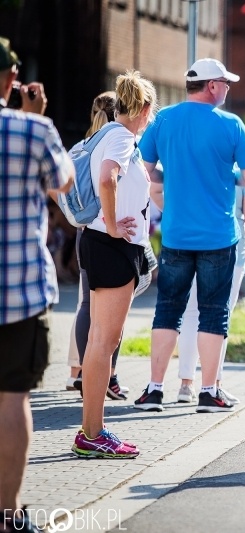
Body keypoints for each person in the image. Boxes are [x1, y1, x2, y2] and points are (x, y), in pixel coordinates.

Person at [134, 58, 245, 413]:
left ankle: (154, 389)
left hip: (175, 234)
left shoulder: (163, 120)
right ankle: (208, 392)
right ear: (211, 86)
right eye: (225, 83)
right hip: (219, 237)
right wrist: (227, 175)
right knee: (213, 314)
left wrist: (173, 178)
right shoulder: (231, 124)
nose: (227, 89)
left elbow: (144, 173)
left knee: (167, 311)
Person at [1, 36, 74, 532]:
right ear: (10, 81)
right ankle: (7, 516)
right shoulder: (32, 130)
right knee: (12, 399)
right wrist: (34, 113)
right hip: (19, 292)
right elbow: (63, 183)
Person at [70, 70, 158, 459]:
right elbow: (108, 178)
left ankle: (92, 429)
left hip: (106, 243)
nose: (152, 118)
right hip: (111, 246)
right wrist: (110, 223)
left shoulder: (105, 133)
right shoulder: (122, 137)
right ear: (143, 108)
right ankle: (92, 433)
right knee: (104, 342)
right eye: (152, 111)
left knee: (100, 341)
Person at [172, 180, 245, 404]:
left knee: (191, 314)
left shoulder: (195, 161)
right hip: (231, 250)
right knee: (221, 317)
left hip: (191, 244)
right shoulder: (244, 171)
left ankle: (186, 384)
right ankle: (214, 385)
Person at [67, 91, 131, 399]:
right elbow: (111, 182)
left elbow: (59, 186)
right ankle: (109, 377)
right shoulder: (115, 142)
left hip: (84, 232)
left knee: (85, 305)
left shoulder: (82, 146)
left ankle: (83, 373)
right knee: (112, 314)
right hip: (109, 233)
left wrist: (76, 215)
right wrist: (112, 220)